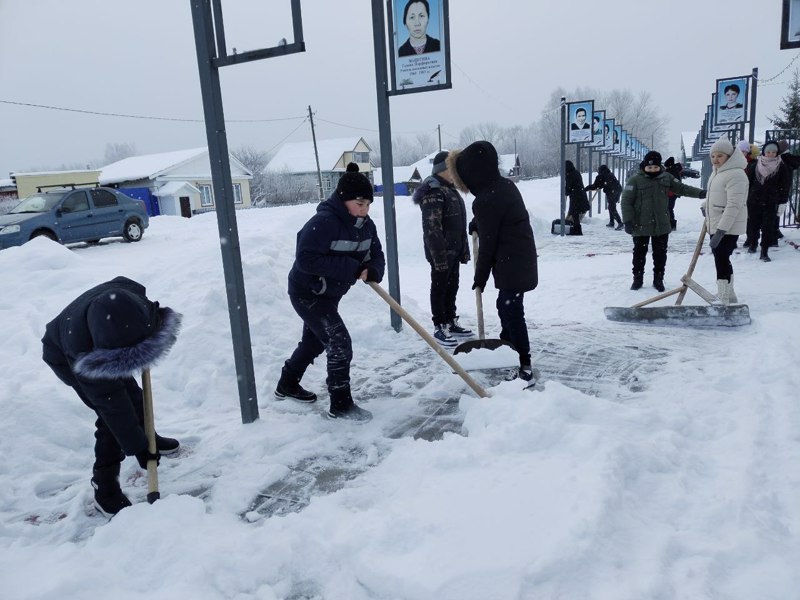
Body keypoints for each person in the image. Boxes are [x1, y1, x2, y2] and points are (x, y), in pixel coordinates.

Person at [41, 276, 183, 516]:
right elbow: (114, 409)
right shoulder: (84, 356)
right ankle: (104, 486)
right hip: (64, 354)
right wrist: (138, 448)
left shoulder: (133, 304)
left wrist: (145, 342)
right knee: (110, 420)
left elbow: (145, 312)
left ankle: (150, 436)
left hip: (101, 334)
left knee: (134, 397)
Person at [276, 163, 385, 422]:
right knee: (338, 342)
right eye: (360, 204)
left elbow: (376, 253)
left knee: (314, 341)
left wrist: (372, 269)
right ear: (344, 200)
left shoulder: (366, 226)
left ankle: (287, 384)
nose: (365, 210)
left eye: (368, 204)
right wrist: (349, 267)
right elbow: (306, 259)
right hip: (307, 292)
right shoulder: (323, 222)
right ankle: (341, 404)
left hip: (330, 294)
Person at [448, 141, 538, 381]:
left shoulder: (486, 199)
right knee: (506, 306)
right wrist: (479, 221)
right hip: (521, 258)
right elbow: (502, 219)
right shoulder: (504, 186)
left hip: (512, 263)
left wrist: (480, 277)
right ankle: (508, 348)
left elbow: (487, 245)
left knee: (511, 310)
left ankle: (524, 364)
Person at [621, 151, 706, 292]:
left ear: (659, 166)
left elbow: (682, 189)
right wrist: (628, 221)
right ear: (644, 167)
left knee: (660, 254)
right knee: (639, 254)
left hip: (661, 224)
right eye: (649, 168)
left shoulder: (667, 178)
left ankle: (658, 279)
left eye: (655, 167)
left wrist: (701, 193)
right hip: (640, 224)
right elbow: (626, 201)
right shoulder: (635, 180)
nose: (652, 170)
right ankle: (637, 279)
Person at [412, 150, 472, 347]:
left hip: (453, 251)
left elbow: (458, 224)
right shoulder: (433, 191)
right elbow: (432, 228)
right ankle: (440, 325)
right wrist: (439, 257)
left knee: (452, 286)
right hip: (441, 252)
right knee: (439, 288)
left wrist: (462, 249)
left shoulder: (450, 189)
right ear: (443, 170)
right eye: (451, 167)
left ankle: (450, 320)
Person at [703, 136, 749, 304]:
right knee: (721, 258)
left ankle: (723, 297)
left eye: (720, 156)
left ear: (729, 156)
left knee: (721, 258)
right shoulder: (718, 172)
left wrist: (721, 231)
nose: (715, 159)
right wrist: (705, 205)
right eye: (713, 156)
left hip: (727, 226)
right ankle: (729, 295)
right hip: (717, 224)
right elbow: (717, 196)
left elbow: (733, 205)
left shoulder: (736, 174)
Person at [743, 141, 792, 262]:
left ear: (777, 153)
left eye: (773, 152)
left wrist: (782, 202)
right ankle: (753, 244)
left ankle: (764, 250)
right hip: (754, 200)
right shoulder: (755, 165)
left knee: (768, 227)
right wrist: (744, 199)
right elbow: (747, 183)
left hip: (771, 201)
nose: (771, 154)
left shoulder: (781, 166)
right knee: (753, 226)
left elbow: (785, 185)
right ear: (764, 152)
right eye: (768, 152)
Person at [584, 164, 623, 229]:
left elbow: (595, 186)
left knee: (611, 207)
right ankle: (611, 222)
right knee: (611, 206)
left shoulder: (601, 176)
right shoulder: (610, 174)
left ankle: (620, 223)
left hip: (611, 192)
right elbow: (603, 184)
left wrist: (585, 189)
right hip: (618, 191)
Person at [564, 160, 590, 235]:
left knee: (574, 212)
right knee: (575, 212)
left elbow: (568, 186)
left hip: (575, 196)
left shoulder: (570, 175)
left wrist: (566, 192)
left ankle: (577, 230)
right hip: (581, 194)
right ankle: (576, 229)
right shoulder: (576, 172)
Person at [664, 156, 684, 231]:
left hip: (671, 193)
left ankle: (672, 224)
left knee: (669, 208)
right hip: (673, 193)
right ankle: (671, 224)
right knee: (669, 208)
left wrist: (670, 191)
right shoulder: (675, 170)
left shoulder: (672, 171)